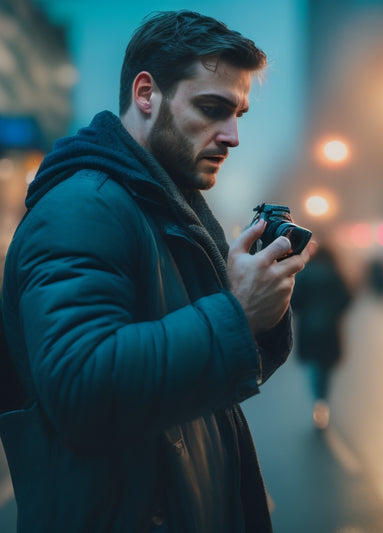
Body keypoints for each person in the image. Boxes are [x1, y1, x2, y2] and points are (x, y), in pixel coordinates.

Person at [0, 11, 315, 533]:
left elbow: (193, 382)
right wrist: (237, 311)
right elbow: (82, 392)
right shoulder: (83, 208)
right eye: (212, 109)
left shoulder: (163, 208)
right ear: (146, 94)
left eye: (238, 114)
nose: (232, 136)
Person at [291, 246, 351, 429]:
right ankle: (323, 400)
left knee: (315, 367)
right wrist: (332, 313)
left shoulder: (305, 274)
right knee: (325, 367)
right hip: (329, 330)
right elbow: (346, 299)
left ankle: (318, 402)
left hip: (309, 329)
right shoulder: (335, 275)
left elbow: (293, 300)